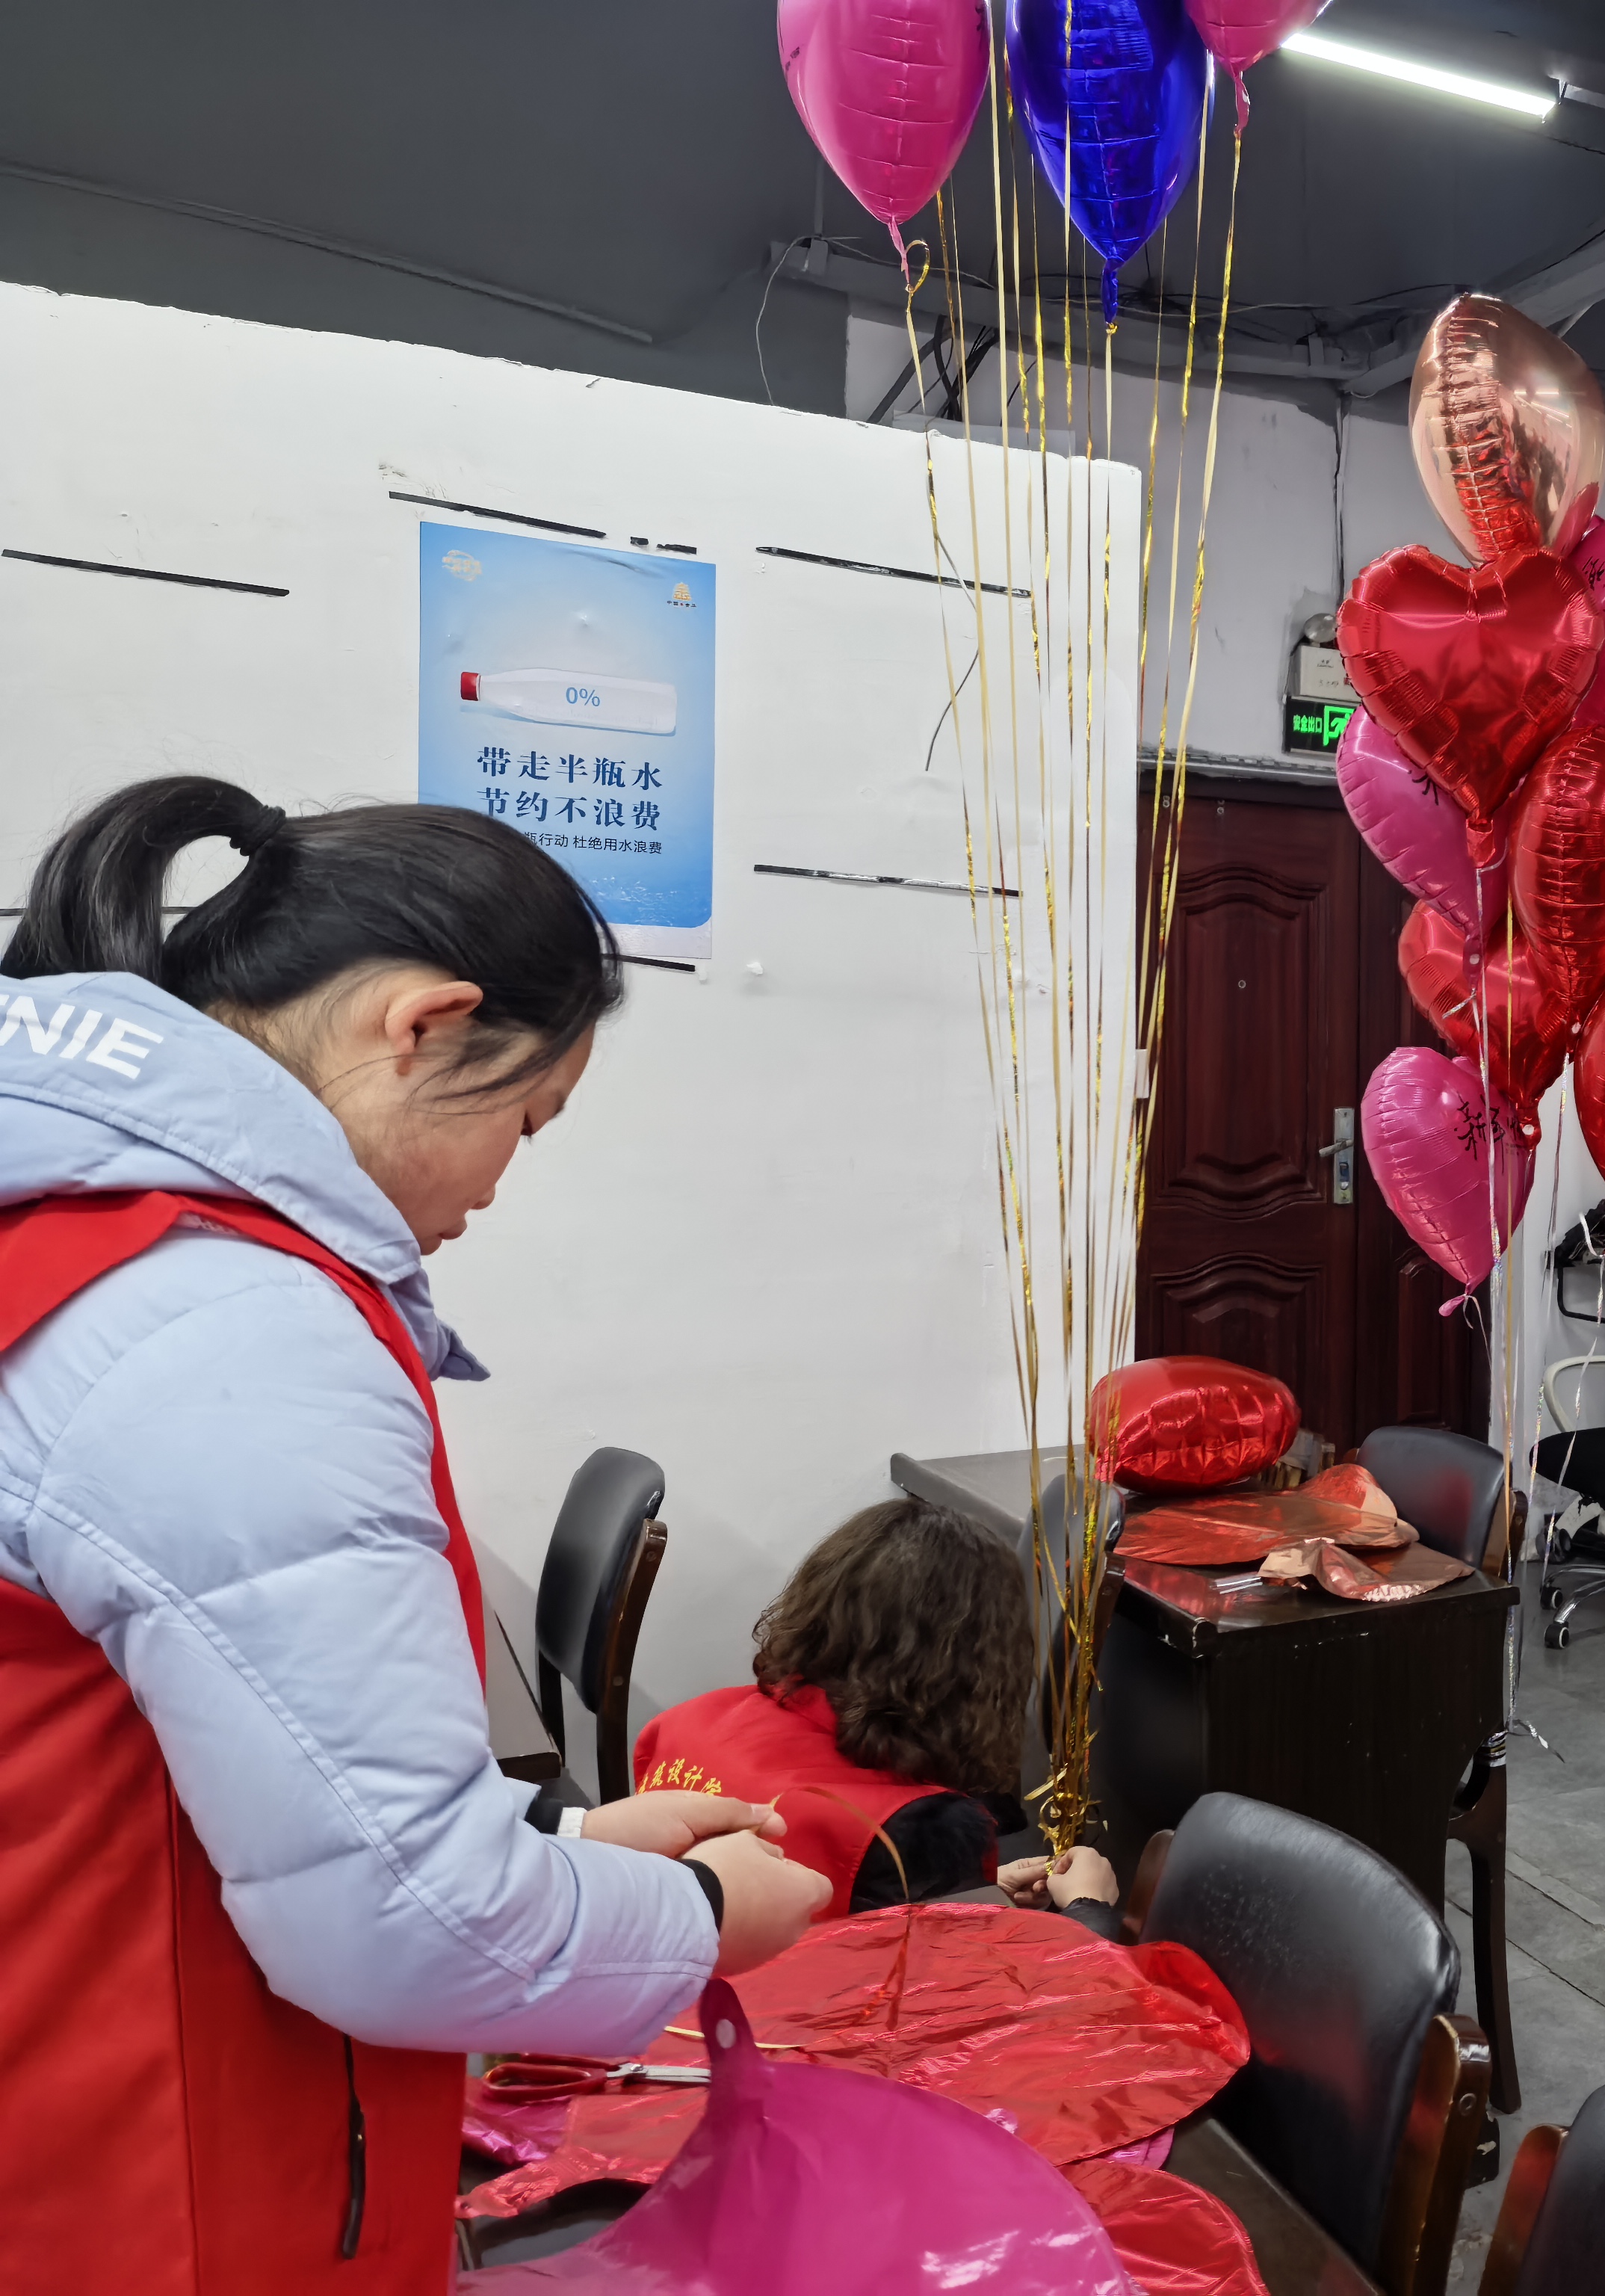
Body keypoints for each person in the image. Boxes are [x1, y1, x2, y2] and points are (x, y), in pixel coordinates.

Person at [0, 777, 830, 2291]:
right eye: (525, 1117)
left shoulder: (68, 1234)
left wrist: (556, 1845)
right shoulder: (220, 1326)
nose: (502, 1182)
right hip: (164, 2186)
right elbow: (403, 1924)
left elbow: (229, 1775)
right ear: (425, 1026)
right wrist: (704, 1914)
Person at [636, 1496, 1119, 1931]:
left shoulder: (686, 1722)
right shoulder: (920, 1829)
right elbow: (958, 1994)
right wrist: (1087, 1909)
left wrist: (969, 1894)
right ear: (980, 1666)